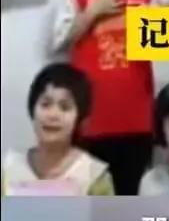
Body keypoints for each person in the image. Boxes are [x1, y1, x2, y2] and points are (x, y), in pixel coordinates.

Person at [50, 0, 169, 195]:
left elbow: (167, 43)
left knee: (128, 196)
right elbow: (60, 40)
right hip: (87, 118)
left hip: (137, 118)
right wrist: (91, 12)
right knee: (88, 198)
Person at [2, 64, 113, 196]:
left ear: (79, 118)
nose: (53, 115)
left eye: (65, 107)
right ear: (32, 109)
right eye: (45, 104)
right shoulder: (10, 168)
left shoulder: (94, 176)